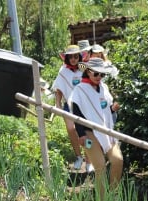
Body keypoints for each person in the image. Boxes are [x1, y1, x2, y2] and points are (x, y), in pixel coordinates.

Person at [69, 58, 123, 199]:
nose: (99, 77)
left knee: (118, 160)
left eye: (102, 74)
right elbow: (76, 114)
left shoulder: (104, 88)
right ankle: (102, 197)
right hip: (88, 133)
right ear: (88, 71)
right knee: (100, 167)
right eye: (96, 74)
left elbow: (105, 111)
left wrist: (113, 109)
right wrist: (81, 135)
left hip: (106, 132)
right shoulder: (80, 90)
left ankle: (112, 193)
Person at [52, 45, 94, 173]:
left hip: (84, 105)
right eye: (71, 57)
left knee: (87, 134)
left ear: (80, 57)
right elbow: (59, 88)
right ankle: (78, 157)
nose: (74, 59)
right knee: (71, 129)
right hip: (69, 105)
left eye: (76, 56)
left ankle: (89, 161)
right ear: (67, 58)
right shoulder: (63, 71)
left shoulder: (84, 69)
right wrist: (57, 103)